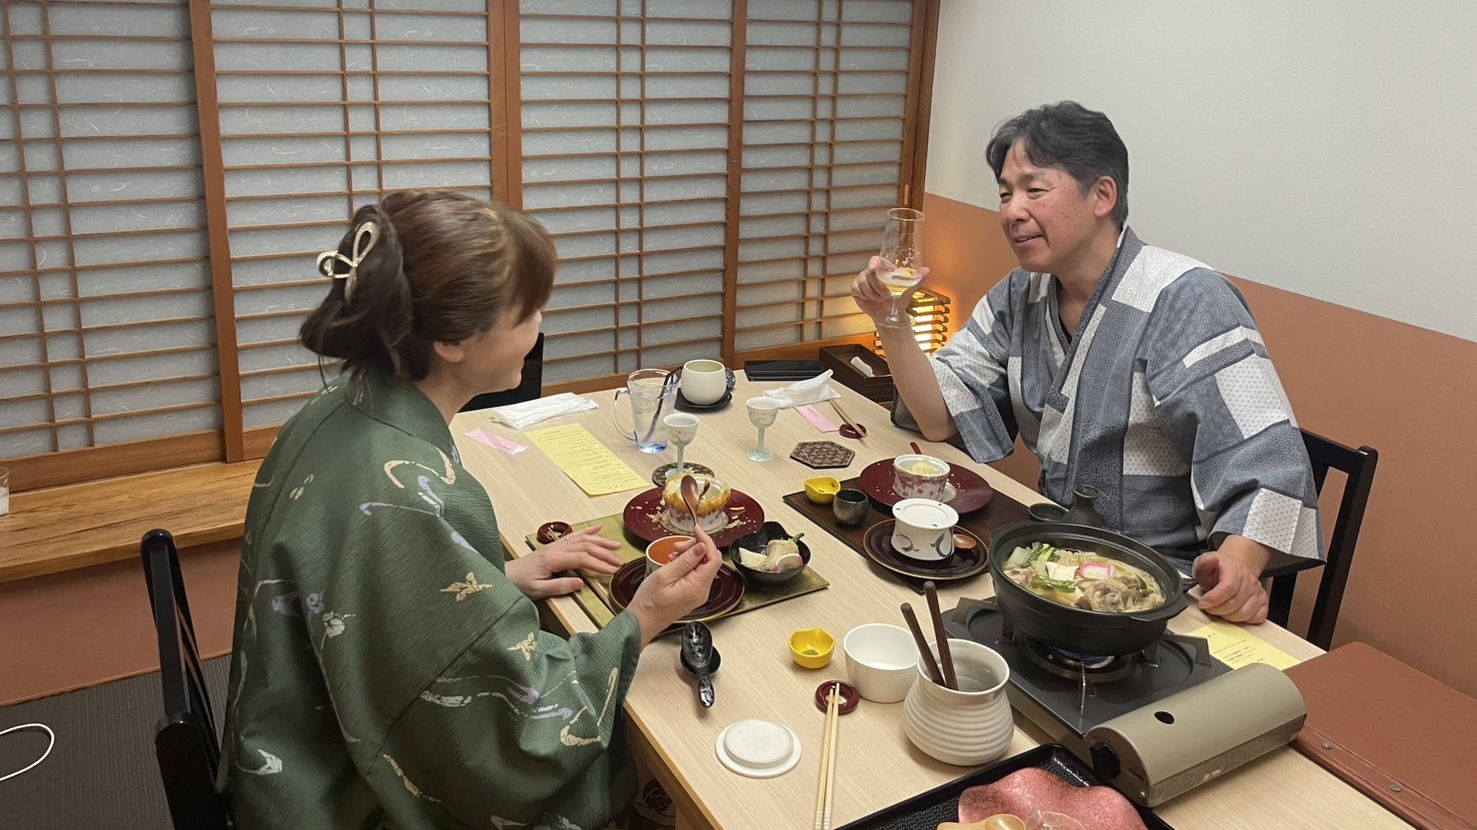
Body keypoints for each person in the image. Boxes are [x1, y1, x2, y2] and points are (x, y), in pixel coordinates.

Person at [221, 189, 723, 829]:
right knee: (675, 756)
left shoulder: (338, 409)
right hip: (339, 797)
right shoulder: (408, 492)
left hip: (287, 744)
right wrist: (643, 618)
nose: (540, 327)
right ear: (454, 339)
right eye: (530, 311)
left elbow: (366, 589)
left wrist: (491, 582)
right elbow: (507, 736)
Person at [852, 101, 1321, 625]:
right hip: (1051, 568)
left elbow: (1269, 469)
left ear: (1102, 195)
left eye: (1034, 189)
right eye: (1005, 194)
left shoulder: (1185, 299)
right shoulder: (1020, 294)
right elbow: (938, 415)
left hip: (1160, 589)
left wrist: (1236, 567)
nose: (1011, 211)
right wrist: (890, 318)